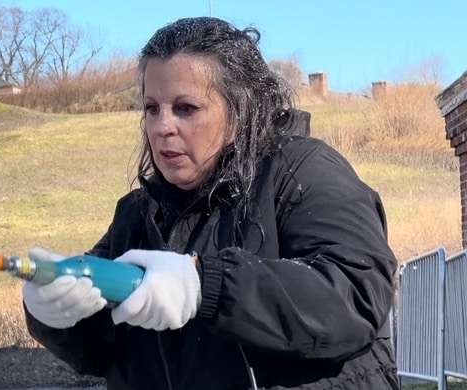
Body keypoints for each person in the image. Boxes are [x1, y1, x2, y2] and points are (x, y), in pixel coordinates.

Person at [22, 16, 399, 389]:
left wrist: (206, 286)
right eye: (152, 108)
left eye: (185, 108)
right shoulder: (136, 214)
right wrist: (55, 313)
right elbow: (102, 348)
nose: (160, 126)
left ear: (240, 111)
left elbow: (356, 293)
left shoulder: (302, 170)